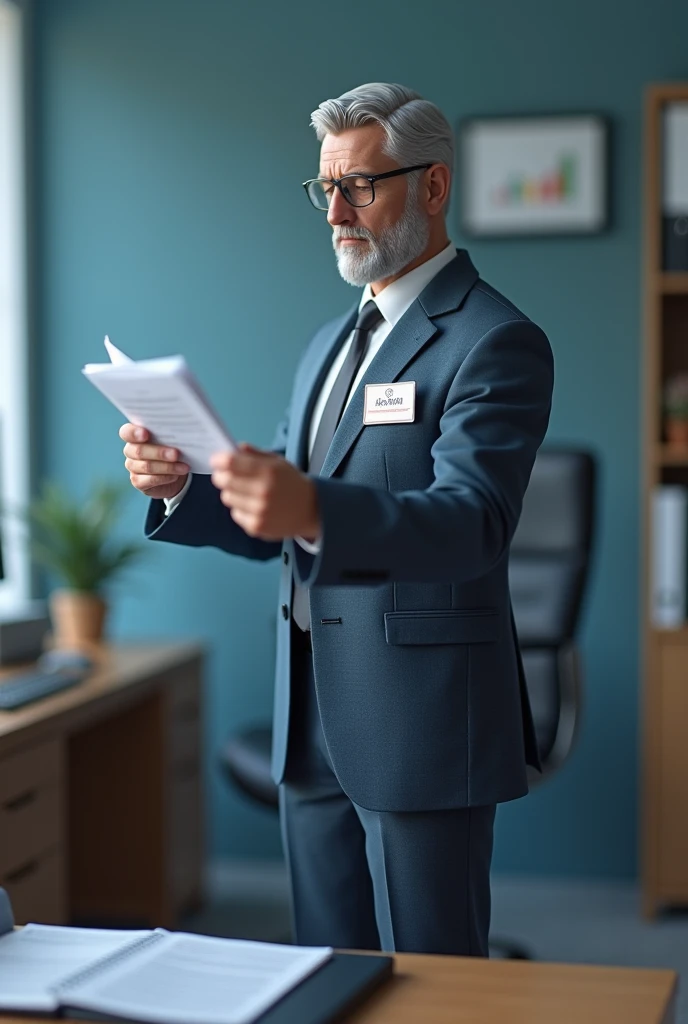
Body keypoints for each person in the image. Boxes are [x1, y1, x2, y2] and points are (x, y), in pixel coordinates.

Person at [120, 82, 554, 957]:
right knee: (326, 963)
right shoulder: (328, 345)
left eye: (361, 185)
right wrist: (183, 489)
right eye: (327, 189)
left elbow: (471, 523)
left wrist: (310, 503)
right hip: (307, 708)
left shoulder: (494, 340)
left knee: (435, 981)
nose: (336, 212)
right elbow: (281, 521)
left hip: (418, 718)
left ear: (433, 188)